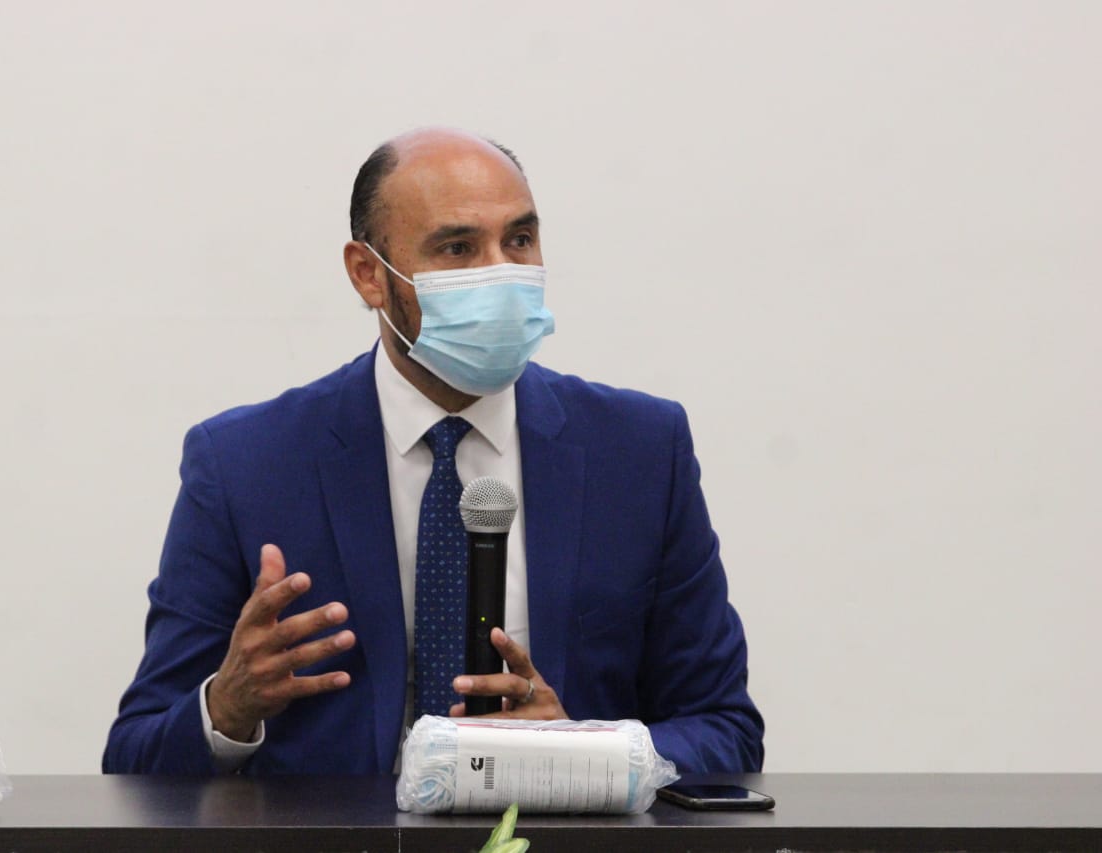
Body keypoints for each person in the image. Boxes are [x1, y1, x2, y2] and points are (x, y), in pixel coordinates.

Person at [103, 128, 764, 776]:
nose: (501, 273)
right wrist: (227, 707)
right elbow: (135, 757)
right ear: (368, 274)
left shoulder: (640, 452)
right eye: (458, 247)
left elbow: (725, 728)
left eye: (520, 240)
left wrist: (587, 755)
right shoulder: (245, 464)